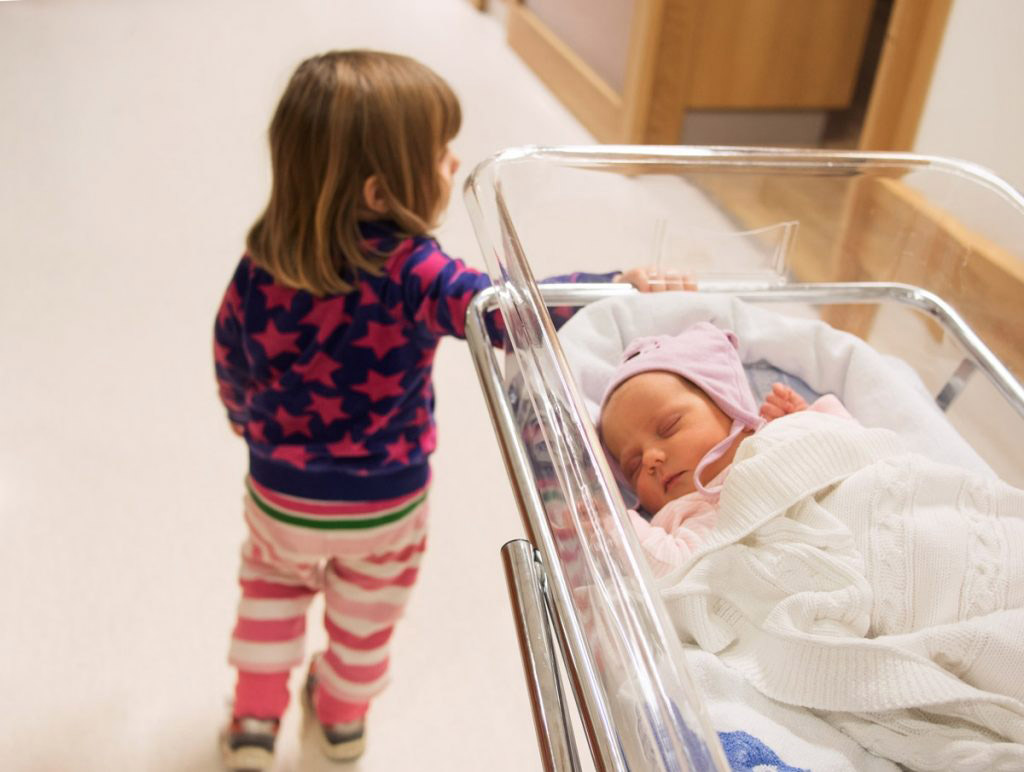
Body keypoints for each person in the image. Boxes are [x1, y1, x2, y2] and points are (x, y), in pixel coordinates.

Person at [213, 49, 679, 770]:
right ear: (378, 192)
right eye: (438, 153)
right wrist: (611, 284)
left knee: (269, 598)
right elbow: (503, 312)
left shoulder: (262, 263)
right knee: (365, 621)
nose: (452, 160)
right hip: (384, 502)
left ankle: (252, 723)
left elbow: (231, 357)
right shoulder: (413, 271)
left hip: (281, 492)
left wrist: (249, 424)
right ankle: (340, 721)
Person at [597, 321, 850, 577]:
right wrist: (616, 523)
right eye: (634, 466)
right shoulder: (684, 516)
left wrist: (808, 420)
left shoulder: (777, 439)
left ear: (728, 405)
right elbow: (677, 571)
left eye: (668, 427)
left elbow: (854, 451)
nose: (650, 458)